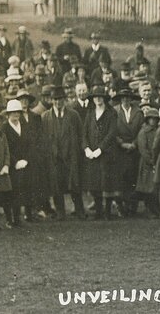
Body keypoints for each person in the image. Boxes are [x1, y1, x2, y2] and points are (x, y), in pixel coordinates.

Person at [42, 85, 85, 219]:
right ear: (51, 100)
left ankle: (79, 211)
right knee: (56, 185)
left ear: (65, 100)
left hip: (71, 155)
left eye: (60, 99)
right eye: (55, 99)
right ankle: (60, 212)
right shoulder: (46, 117)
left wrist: (78, 152)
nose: (58, 102)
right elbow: (43, 138)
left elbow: (80, 134)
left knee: (75, 184)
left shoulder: (73, 115)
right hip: (54, 157)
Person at [82, 85, 120, 220]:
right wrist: (86, 148)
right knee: (95, 183)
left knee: (107, 184)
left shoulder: (111, 113)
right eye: (95, 97)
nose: (98, 99)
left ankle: (108, 213)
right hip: (92, 154)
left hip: (107, 154)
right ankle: (98, 212)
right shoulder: (90, 114)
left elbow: (112, 133)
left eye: (100, 97)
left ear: (104, 98)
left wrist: (100, 149)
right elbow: (84, 133)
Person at [113, 87, 144, 216]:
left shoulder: (138, 112)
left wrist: (134, 143)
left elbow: (142, 129)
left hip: (134, 149)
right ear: (120, 99)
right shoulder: (114, 112)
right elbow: (112, 131)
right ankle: (121, 206)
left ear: (131, 99)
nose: (125, 100)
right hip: (120, 150)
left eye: (128, 97)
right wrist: (121, 143)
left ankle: (132, 207)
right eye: (123, 98)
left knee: (133, 177)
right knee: (121, 179)